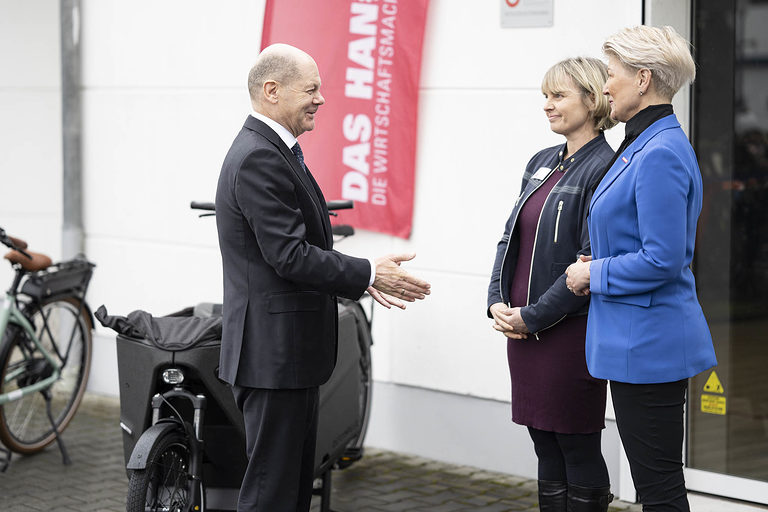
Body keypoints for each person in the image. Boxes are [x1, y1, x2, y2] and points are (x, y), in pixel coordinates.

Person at [215, 43, 431, 512]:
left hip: (286, 355)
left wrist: (363, 277)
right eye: (311, 89)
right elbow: (290, 256)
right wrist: (368, 272)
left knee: (290, 490)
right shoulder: (260, 157)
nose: (321, 99)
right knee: (271, 494)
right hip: (273, 356)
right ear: (272, 91)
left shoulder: (275, 150)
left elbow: (298, 248)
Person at [565, 26, 717, 511]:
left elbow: (663, 258)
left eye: (612, 75)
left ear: (643, 79)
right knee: (655, 484)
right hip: (636, 342)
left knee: (658, 490)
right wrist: (602, 259)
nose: (606, 86)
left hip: (650, 346)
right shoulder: (644, 143)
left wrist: (594, 274)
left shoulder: (660, 152)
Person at [487, 57, 617, 512]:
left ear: (592, 97)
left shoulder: (607, 167)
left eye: (558, 95)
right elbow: (511, 237)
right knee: (544, 442)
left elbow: (589, 260)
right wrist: (497, 304)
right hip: (523, 330)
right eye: (545, 95)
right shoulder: (542, 161)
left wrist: (533, 317)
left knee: (576, 444)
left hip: (567, 334)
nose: (547, 105)